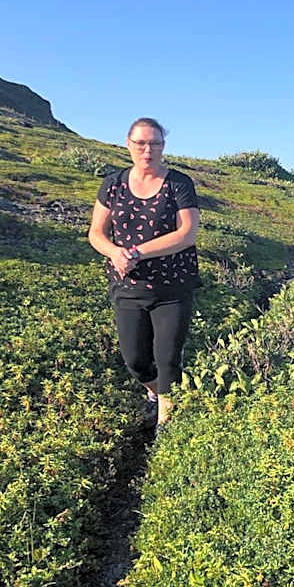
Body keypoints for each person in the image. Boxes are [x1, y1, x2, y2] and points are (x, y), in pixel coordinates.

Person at [88, 117, 201, 433]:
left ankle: (166, 426)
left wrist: (137, 252)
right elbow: (96, 232)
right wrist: (114, 251)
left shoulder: (178, 183)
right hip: (128, 286)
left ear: (163, 147)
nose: (148, 150)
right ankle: (154, 390)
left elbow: (187, 233)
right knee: (136, 360)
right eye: (141, 143)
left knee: (167, 358)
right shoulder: (113, 184)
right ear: (128, 144)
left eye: (155, 143)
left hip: (172, 286)